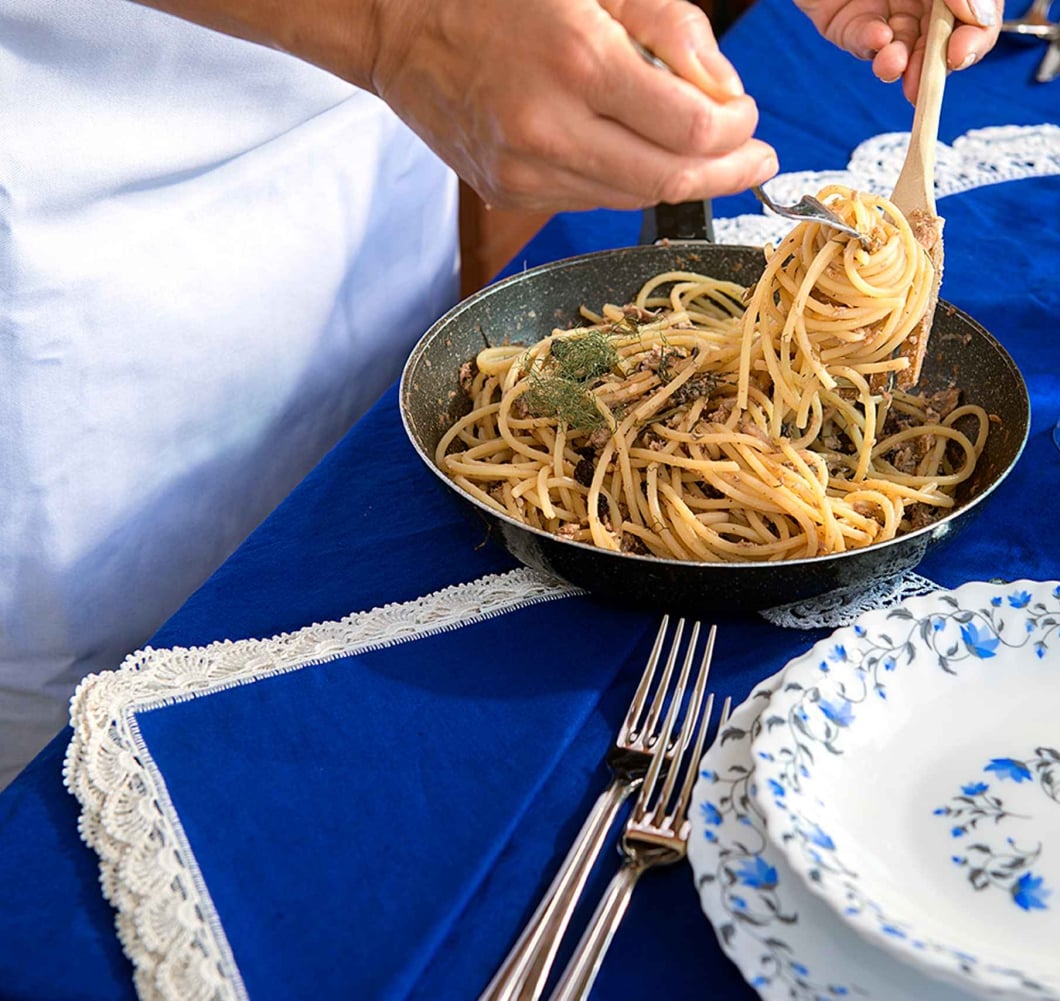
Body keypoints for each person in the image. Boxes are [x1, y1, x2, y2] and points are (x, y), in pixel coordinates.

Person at [0, 0, 999, 789]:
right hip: (86, 198)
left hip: (367, 147)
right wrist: (395, 26)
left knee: (359, 531)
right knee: (118, 731)